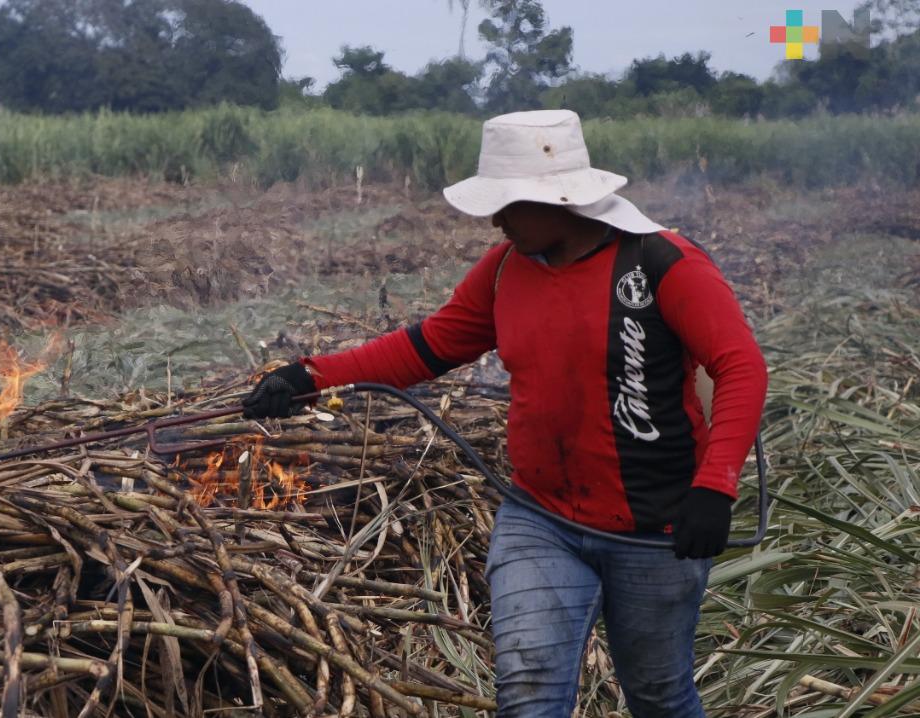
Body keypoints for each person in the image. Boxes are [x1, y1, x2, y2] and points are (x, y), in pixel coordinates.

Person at [241, 109, 768, 717]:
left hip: (657, 526)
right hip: (539, 517)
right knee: (528, 694)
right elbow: (423, 348)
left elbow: (741, 367)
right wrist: (307, 378)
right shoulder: (503, 272)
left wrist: (714, 487)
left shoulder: (661, 264)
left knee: (657, 693)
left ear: (559, 200)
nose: (496, 220)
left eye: (509, 205)